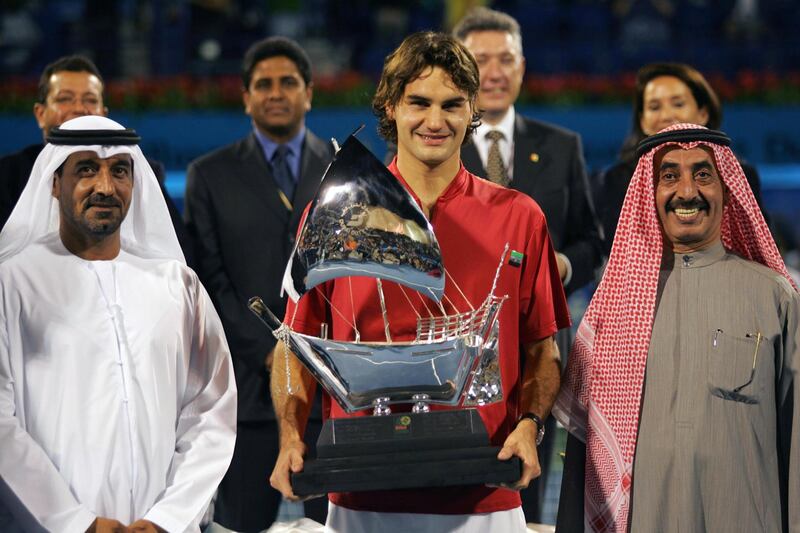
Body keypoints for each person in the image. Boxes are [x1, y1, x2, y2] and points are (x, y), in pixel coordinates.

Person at [269, 31, 571, 532]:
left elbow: (544, 348)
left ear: (472, 108)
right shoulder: (332, 216)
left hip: (486, 499)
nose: (436, 121)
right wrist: (290, 435)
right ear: (391, 106)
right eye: (419, 103)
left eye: (452, 105)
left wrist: (529, 426)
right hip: (362, 499)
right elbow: (292, 350)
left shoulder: (520, 217)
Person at [554, 123, 799, 532]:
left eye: (703, 174)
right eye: (669, 177)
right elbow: (585, 458)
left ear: (728, 191)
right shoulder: (613, 308)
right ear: (649, 195)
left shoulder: (774, 297)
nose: (687, 192)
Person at [0, 115, 237, 532]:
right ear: (54, 183)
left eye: (119, 171)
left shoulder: (177, 285)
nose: (105, 187)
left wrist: (167, 518)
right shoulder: (12, 283)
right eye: (86, 169)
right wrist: (78, 523)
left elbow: (210, 412)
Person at [452, 7, 604, 521]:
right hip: (460, 348)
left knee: (531, 472)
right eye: (480, 60)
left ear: (522, 67)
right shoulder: (433, 145)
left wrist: (560, 265)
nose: (494, 72)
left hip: (542, 344)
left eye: (506, 60)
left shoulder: (562, 146)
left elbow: (590, 240)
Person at [184, 36, 334, 531]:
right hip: (244, 398)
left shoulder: (342, 169)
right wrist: (270, 354)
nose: (276, 92)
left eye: (288, 82)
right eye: (263, 84)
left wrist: (313, 359)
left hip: (329, 396)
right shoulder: (209, 175)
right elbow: (209, 280)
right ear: (246, 96)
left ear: (308, 93)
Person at [0, 54, 194, 266]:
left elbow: (174, 251)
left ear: (103, 113)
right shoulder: (7, 176)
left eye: (90, 100)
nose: (80, 109)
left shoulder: (140, 172)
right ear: (40, 113)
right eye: (65, 99)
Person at [596, 62, 765, 254]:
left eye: (678, 103)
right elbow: (616, 250)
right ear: (643, 121)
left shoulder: (740, 175)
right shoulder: (618, 179)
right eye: (654, 106)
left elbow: (756, 248)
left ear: (703, 113)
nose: (667, 115)